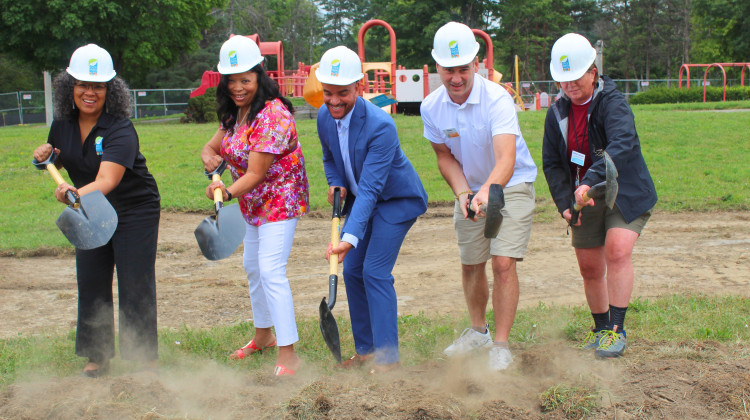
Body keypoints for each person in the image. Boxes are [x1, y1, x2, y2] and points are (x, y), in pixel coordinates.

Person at [32, 44, 161, 377]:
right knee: (91, 277)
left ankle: (143, 356)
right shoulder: (62, 123)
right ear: (70, 87)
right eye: (83, 85)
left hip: (134, 209)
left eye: (98, 86)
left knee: (134, 280)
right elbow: (64, 159)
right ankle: (97, 354)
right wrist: (47, 158)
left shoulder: (120, 128)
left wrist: (72, 193)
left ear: (110, 90)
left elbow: (107, 179)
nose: (90, 92)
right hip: (87, 206)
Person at [421, 22, 537, 371]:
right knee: (471, 263)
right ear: (437, 67)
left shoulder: (497, 98)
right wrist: (462, 194)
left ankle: (500, 346)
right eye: (448, 70)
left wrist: (486, 192)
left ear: (476, 64)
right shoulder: (431, 107)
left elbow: (506, 158)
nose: (456, 78)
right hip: (470, 186)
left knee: (502, 263)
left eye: (463, 69)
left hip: (511, 183)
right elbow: (444, 155)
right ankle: (478, 332)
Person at [542, 33, 657, 358]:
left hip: (624, 191)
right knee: (590, 267)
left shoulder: (613, 103)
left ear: (593, 71)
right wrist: (566, 203)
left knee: (617, 251)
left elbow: (623, 145)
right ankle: (601, 328)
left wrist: (590, 180)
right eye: (562, 80)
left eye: (575, 77)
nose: (568, 86)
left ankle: (617, 331)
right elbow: (552, 163)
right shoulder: (556, 113)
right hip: (583, 197)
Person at [200, 36, 309, 376]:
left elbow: (257, 172)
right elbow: (211, 148)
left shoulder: (273, 114)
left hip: (280, 196)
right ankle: (264, 336)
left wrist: (225, 192)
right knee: (252, 267)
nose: (237, 87)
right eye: (231, 80)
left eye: (245, 79)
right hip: (251, 199)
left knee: (271, 270)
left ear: (260, 75)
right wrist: (211, 162)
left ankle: (289, 354)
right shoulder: (235, 112)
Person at [316, 46, 428, 373]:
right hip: (365, 201)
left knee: (374, 272)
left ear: (360, 87)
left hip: (396, 201)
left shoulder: (381, 126)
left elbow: (369, 189)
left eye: (343, 93)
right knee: (351, 271)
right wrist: (335, 181)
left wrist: (348, 239)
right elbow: (329, 156)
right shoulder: (325, 116)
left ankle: (388, 360)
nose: (334, 101)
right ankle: (365, 352)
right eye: (328, 93)